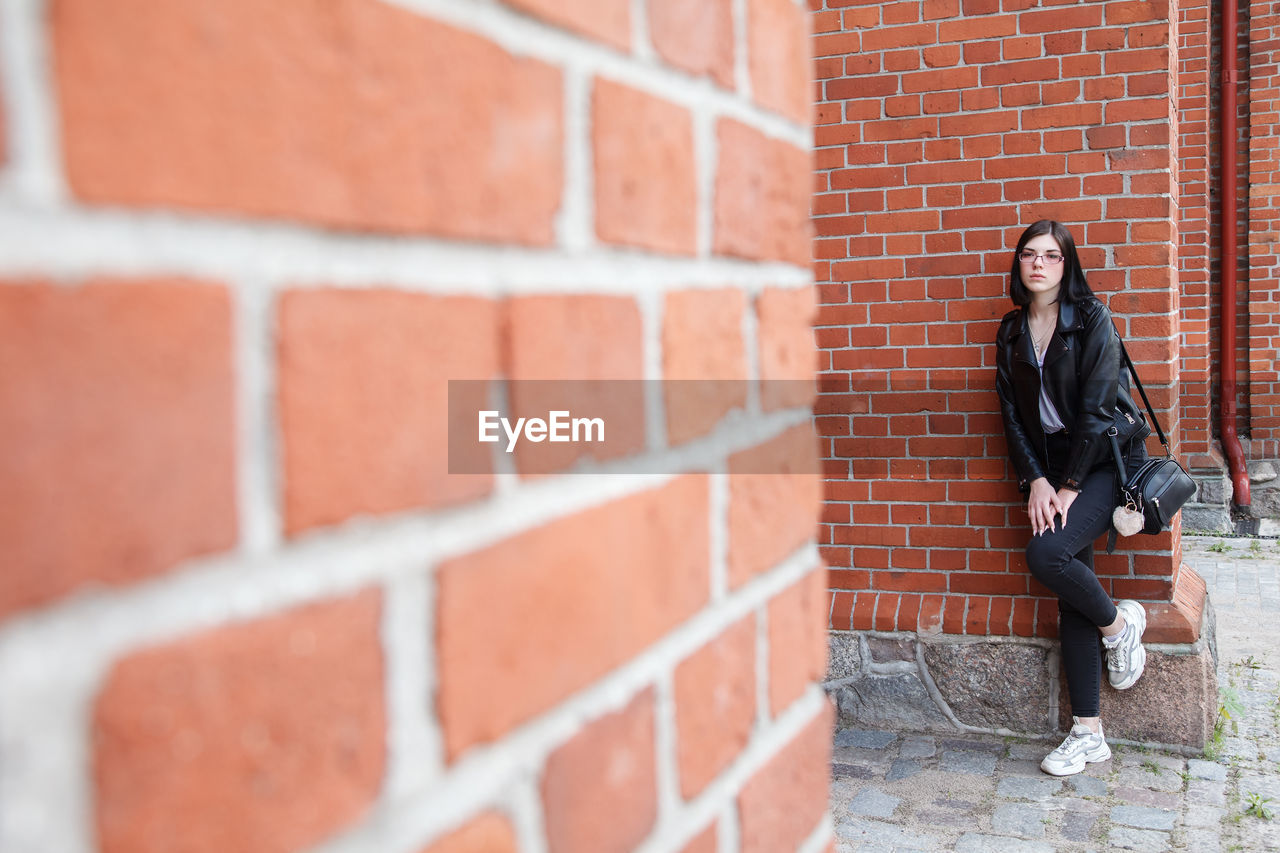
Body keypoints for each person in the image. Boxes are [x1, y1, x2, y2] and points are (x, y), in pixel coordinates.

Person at [994, 219, 1150, 777]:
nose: (1038, 264)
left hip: (1103, 464)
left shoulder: (1090, 320)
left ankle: (1119, 627)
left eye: (1052, 256)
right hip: (1052, 471)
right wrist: (1036, 479)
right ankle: (1089, 733)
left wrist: (1068, 486)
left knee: (1047, 555)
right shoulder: (1011, 332)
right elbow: (1011, 416)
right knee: (1069, 593)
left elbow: (1097, 411)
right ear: (1020, 265)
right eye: (1029, 255)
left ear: (1067, 265)